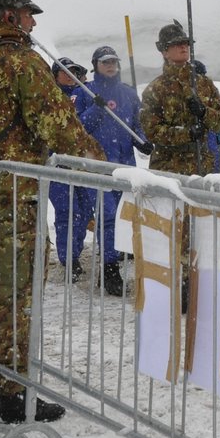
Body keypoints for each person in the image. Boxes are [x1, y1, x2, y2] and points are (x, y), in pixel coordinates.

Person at [0, 0, 105, 424]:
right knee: (15, 291)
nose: (33, 24)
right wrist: (104, 166)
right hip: (10, 194)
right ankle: (12, 392)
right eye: (27, 14)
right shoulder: (16, 60)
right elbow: (57, 126)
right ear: (8, 14)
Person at [79, 45, 144, 297]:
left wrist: (142, 139)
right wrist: (96, 107)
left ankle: (119, 256)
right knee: (106, 217)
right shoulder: (85, 91)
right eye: (105, 62)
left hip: (125, 166)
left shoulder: (128, 93)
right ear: (95, 64)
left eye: (113, 62)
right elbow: (79, 126)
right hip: (99, 165)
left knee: (126, 215)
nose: (110, 66)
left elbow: (138, 124)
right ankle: (109, 269)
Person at [140, 23, 220, 177]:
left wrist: (204, 112)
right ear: (164, 51)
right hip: (168, 167)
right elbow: (152, 131)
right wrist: (187, 134)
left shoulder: (203, 83)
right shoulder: (155, 89)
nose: (184, 47)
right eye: (177, 44)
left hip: (202, 166)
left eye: (186, 43)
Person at [47, 58, 95, 281]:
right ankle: (69, 259)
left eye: (74, 71)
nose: (69, 75)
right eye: (64, 71)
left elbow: (88, 121)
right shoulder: (47, 95)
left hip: (82, 164)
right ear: (55, 74)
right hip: (57, 166)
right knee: (67, 212)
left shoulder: (84, 93)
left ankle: (75, 250)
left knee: (84, 212)